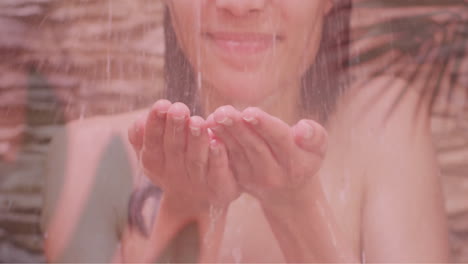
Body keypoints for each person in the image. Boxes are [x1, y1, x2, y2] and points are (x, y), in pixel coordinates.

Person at [41, 0, 450, 262]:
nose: (240, 5)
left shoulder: (380, 128)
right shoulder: (87, 154)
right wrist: (188, 209)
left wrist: (295, 206)